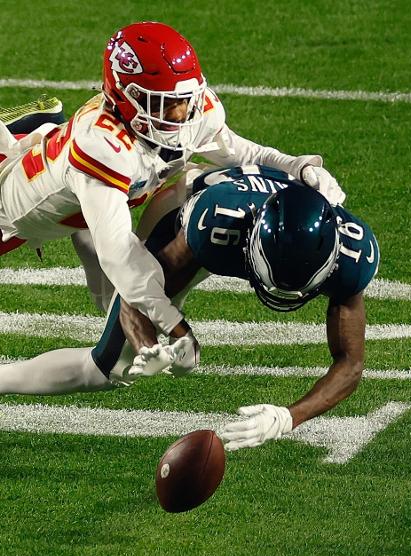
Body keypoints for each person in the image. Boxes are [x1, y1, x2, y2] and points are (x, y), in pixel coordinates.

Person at [0, 20, 344, 363]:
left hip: (74, 201)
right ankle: (20, 132)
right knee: (114, 268)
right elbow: (119, 253)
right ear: (125, 96)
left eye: (183, 99)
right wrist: (175, 325)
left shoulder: (190, 112)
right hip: (12, 210)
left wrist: (299, 166)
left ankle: (38, 128)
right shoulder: (102, 147)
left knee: (112, 297)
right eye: (163, 103)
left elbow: (239, 152)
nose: (181, 113)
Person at [0, 164, 379, 452]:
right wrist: (155, 344)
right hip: (183, 203)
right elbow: (138, 293)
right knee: (110, 365)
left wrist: (286, 418)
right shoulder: (216, 227)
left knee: (106, 301)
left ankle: (83, 223)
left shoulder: (351, 254)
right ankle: (73, 201)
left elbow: (350, 363)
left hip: (235, 213)